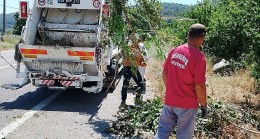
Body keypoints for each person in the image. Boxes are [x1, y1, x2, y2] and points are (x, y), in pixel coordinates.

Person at [155, 23, 208, 139]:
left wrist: (171, 91)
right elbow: (199, 85)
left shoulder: (175, 51)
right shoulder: (199, 58)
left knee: (162, 132)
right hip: (187, 105)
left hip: (169, 101)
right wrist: (204, 105)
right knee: (184, 135)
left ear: (188, 34)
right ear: (202, 38)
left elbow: (165, 73)